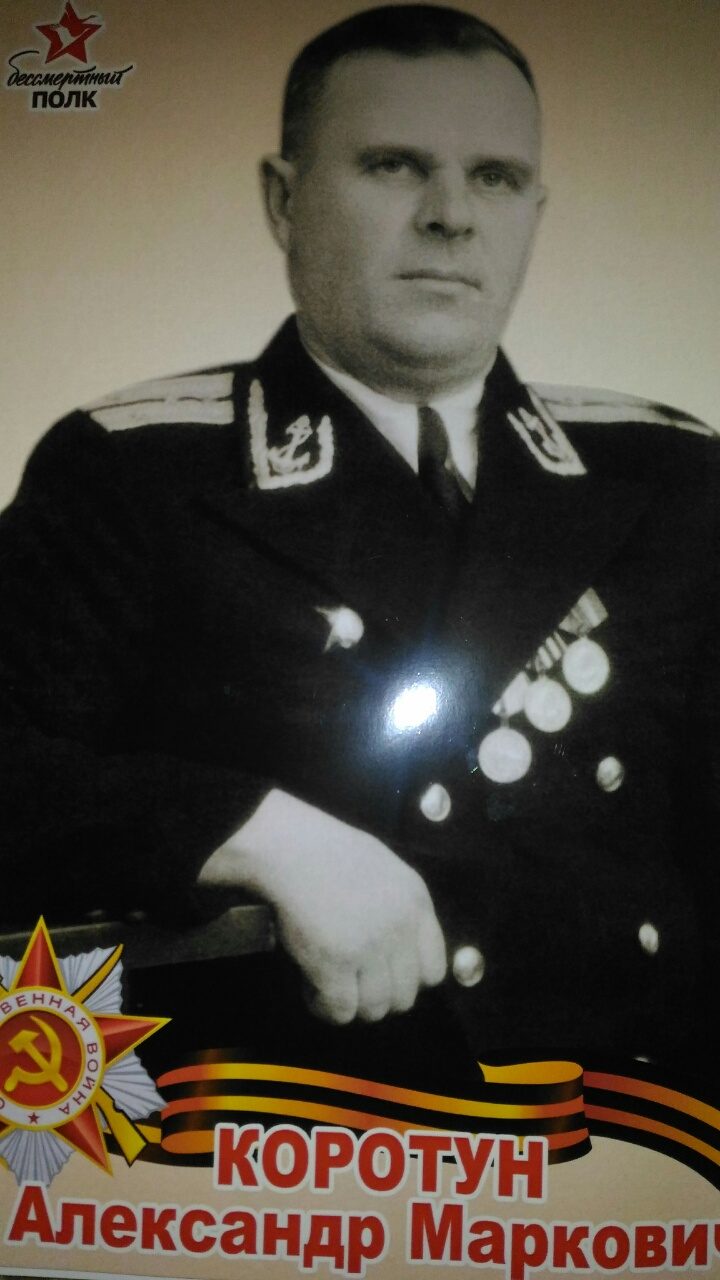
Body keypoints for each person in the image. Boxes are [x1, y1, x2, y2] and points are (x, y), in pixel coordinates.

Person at [0, 5, 717, 1073]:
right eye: (394, 166)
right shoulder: (133, 471)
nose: (451, 217)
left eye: (496, 178)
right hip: (283, 1140)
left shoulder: (673, 478)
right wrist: (253, 830)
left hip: (625, 1134)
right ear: (283, 200)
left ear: (535, 212)